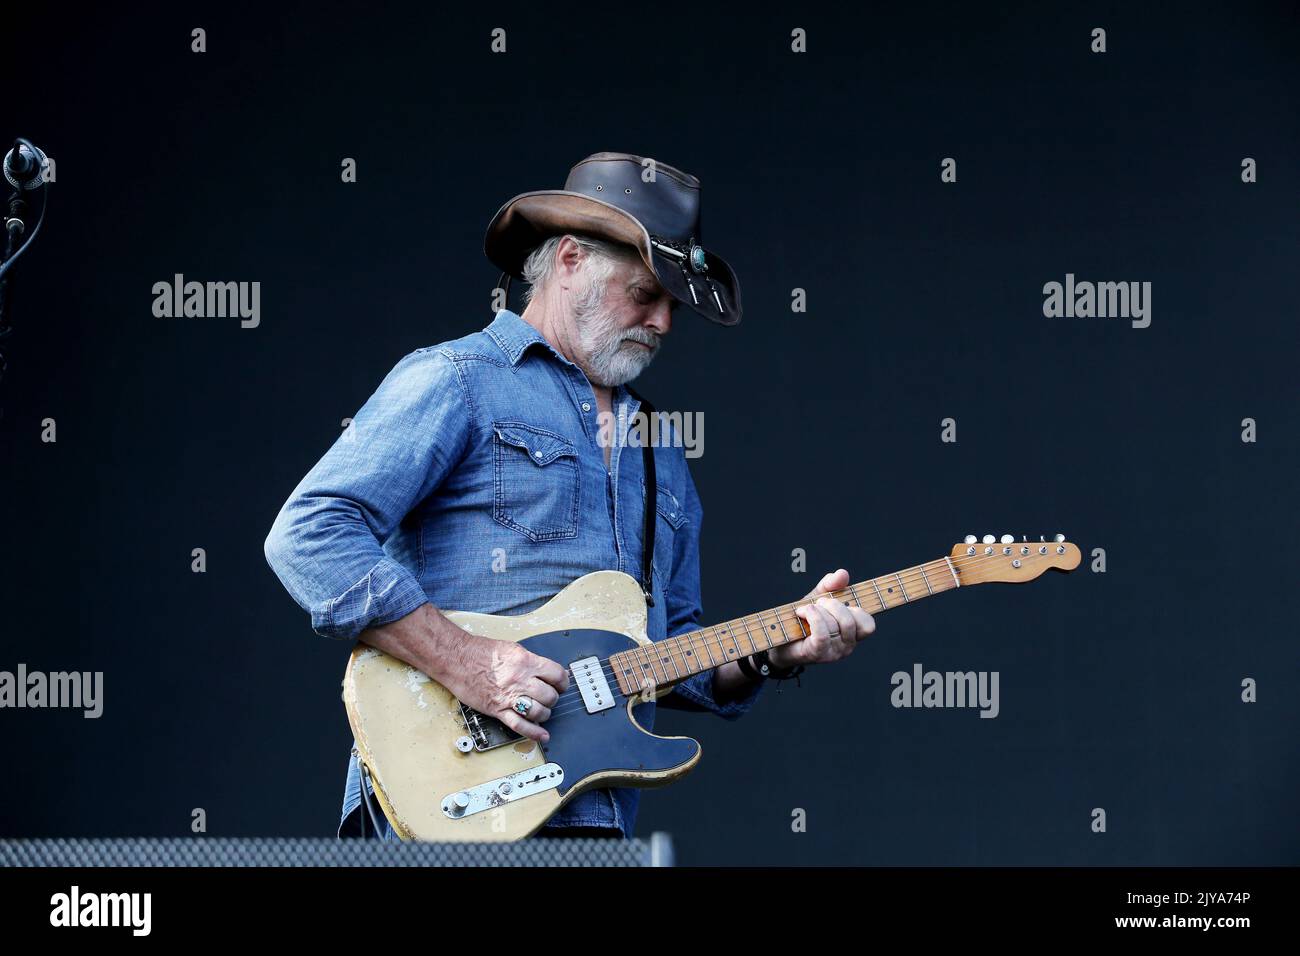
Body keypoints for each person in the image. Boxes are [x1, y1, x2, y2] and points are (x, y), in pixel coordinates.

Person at [263, 151, 876, 840]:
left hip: (589, 819)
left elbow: (670, 651)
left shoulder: (660, 448)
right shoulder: (460, 379)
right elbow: (309, 532)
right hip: (450, 799)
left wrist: (776, 649)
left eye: (673, 304)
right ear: (569, 260)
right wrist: (469, 661)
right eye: (644, 294)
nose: (664, 323)